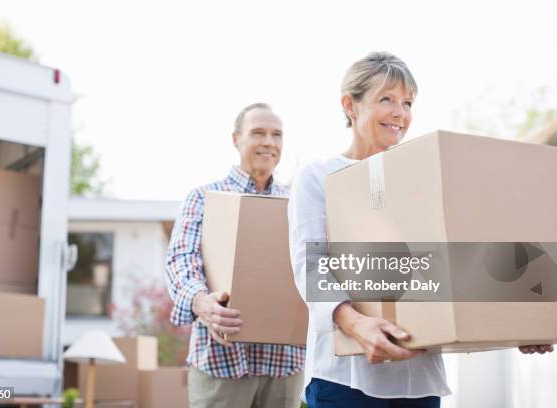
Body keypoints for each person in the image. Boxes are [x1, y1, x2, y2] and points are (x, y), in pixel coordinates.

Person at [289, 51, 553, 408]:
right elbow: (311, 266)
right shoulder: (319, 176)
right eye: (387, 99)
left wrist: (514, 323)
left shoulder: (421, 177)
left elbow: (461, 264)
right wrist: (355, 324)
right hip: (347, 377)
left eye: (408, 102)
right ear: (350, 105)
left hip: (419, 378)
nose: (401, 113)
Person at [165, 103, 305, 408]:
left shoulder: (297, 205)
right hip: (221, 364)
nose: (269, 142)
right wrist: (202, 303)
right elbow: (180, 261)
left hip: (284, 367)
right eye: (258, 133)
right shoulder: (204, 198)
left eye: (277, 135)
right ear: (235, 139)